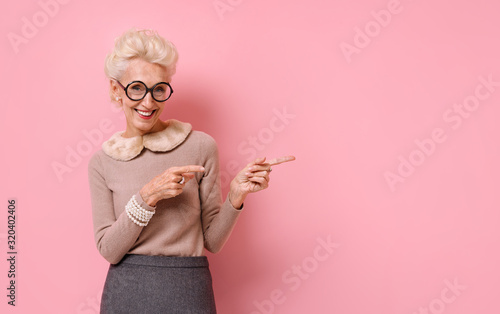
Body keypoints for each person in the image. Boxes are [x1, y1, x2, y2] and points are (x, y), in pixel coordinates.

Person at [87, 28, 295, 313]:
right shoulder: (102, 162)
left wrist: (235, 197)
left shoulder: (200, 146)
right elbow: (109, 250)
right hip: (127, 294)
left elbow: (212, 241)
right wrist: (146, 197)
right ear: (116, 89)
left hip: (189, 290)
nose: (148, 103)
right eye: (136, 87)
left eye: (159, 89)